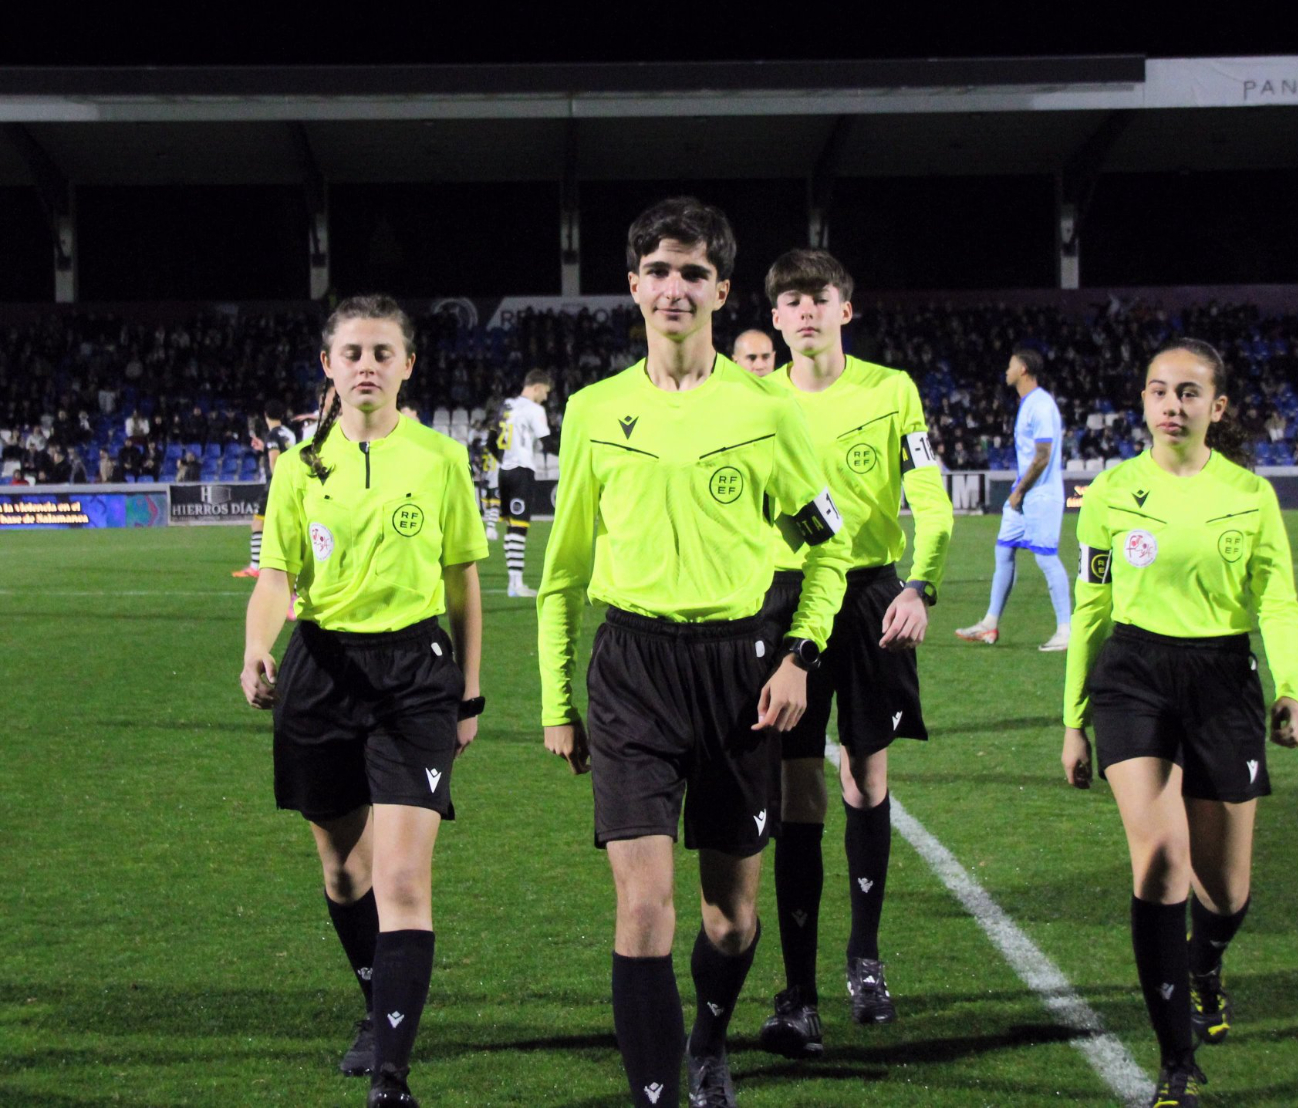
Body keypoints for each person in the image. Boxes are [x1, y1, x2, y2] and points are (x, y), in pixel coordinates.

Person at [537, 198, 848, 1108]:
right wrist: (557, 701)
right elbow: (562, 573)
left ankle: (708, 1037)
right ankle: (659, 1093)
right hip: (631, 669)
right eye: (659, 272)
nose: (675, 288)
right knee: (642, 909)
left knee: (729, 916)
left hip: (740, 673)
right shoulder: (594, 413)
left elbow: (824, 547)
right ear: (633, 286)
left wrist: (798, 657)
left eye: (693, 273)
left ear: (720, 288)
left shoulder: (766, 413)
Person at [239, 295, 487, 1108]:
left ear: (409, 365)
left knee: (403, 879)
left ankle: (391, 1071)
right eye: (352, 353)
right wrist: (257, 646)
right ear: (329, 366)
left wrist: (472, 690)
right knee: (347, 877)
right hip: (320, 671)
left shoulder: (442, 459)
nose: (368, 366)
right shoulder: (297, 467)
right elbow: (276, 574)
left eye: (384, 352)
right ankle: (375, 1005)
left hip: (415, 674)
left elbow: (462, 581)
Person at [1061, 339, 1298, 1108]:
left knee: (1225, 891)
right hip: (1133, 678)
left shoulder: (1250, 495)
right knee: (1161, 859)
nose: (1173, 405)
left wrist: (1291, 687)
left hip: (1223, 681)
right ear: (1142, 403)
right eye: (1159, 392)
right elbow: (1092, 608)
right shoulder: (1108, 493)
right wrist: (1073, 720)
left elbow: (1277, 601)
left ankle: (1205, 964)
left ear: (1216, 407)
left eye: (1189, 393)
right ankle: (1176, 1061)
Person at [754, 249, 952, 1059]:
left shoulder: (890, 390)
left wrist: (922, 585)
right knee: (799, 788)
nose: (806, 311)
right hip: (784, 594)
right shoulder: (750, 400)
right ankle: (797, 991)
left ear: (847, 309)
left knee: (866, 776)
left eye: (820, 298)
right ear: (774, 318)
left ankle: (863, 958)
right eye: (792, 301)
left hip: (872, 595)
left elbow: (930, 498)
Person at [955, 349, 1074, 650]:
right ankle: (989, 625)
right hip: (1024, 496)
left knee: (1046, 558)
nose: (1005, 371)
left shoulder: (1041, 405)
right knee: (1003, 551)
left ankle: (1066, 629)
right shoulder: (1029, 403)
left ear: (1022, 369)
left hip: (1040, 495)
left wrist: (1019, 490)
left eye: (1009, 366)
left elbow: (1043, 456)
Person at [494, 370, 552, 598]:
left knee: (511, 526)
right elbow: (547, 443)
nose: (546, 398)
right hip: (521, 471)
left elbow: (493, 437)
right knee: (519, 526)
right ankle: (516, 585)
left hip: (504, 470)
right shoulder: (534, 409)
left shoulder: (506, 405)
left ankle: (514, 582)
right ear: (537, 387)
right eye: (545, 392)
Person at [234, 400, 299, 579]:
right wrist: (263, 448)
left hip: (275, 486)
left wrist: (277, 482)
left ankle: (255, 566)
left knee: (258, 523)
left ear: (265, 415)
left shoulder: (272, 435)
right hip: (292, 483)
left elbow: (275, 460)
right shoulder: (288, 433)